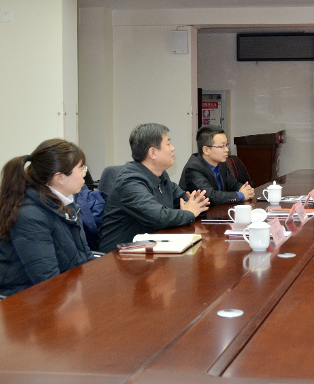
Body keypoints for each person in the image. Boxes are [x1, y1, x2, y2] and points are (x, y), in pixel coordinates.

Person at [0, 139, 94, 297]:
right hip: (24, 299)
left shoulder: (66, 203)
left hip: (65, 290)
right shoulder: (30, 216)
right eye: (81, 168)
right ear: (59, 177)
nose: (85, 173)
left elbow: (85, 257)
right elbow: (47, 280)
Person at [98, 123, 210, 252]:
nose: (173, 148)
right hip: (119, 255)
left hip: (151, 249)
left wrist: (197, 203)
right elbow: (159, 217)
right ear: (152, 152)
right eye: (168, 144)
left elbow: (185, 201)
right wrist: (189, 213)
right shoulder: (130, 182)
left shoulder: (161, 176)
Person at [179, 125, 255, 204]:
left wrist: (245, 189)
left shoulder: (221, 163)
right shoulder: (193, 168)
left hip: (219, 210)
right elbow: (210, 196)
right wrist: (241, 195)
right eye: (222, 146)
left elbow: (233, 184)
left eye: (227, 145)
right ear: (206, 150)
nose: (227, 150)